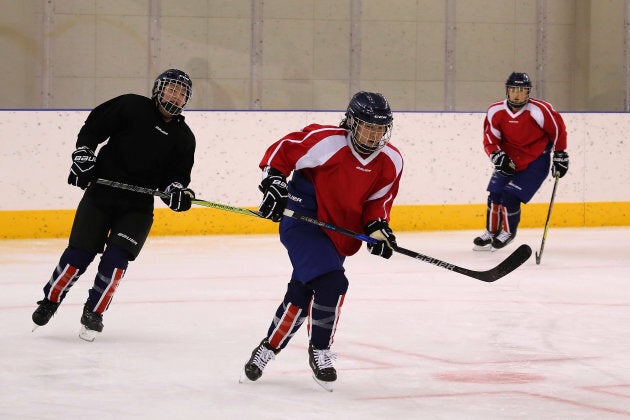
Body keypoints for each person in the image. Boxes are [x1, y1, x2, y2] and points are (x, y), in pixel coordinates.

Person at [239, 91, 403, 390]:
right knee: (332, 284)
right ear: (352, 122)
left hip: (337, 233)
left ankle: (267, 349)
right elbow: (281, 153)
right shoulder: (327, 141)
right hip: (302, 222)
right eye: (368, 126)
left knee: (301, 295)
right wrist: (274, 182)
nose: (374, 134)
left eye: (380, 128)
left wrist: (378, 229)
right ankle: (321, 349)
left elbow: (378, 203)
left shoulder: (391, 160)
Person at [31, 69, 196, 341]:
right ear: (159, 89)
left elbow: (177, 178)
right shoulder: (131, 105)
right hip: (101, 196)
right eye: (172, 89)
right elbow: (92, 130)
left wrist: (176, 192)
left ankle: (94, 312)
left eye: (181, 93)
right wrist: (84, 155)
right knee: (79, 255)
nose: (175, 96)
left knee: (116, 260)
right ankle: (50, 300)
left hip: (138, 207)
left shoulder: (184, 137)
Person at [473, 72, 569, 251]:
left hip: (535, 161)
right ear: (507, 91)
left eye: (522, 90)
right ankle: (491, 231)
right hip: (508, 160)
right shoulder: (496, 111)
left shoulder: (540, 110)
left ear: (528, 92)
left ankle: (508, 232)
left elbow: (558, 130)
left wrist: (560, 154)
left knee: (510, 196)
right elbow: (490, 138)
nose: (517, 94)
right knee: (494, 195)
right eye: (513, 90)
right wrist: (496, 155)